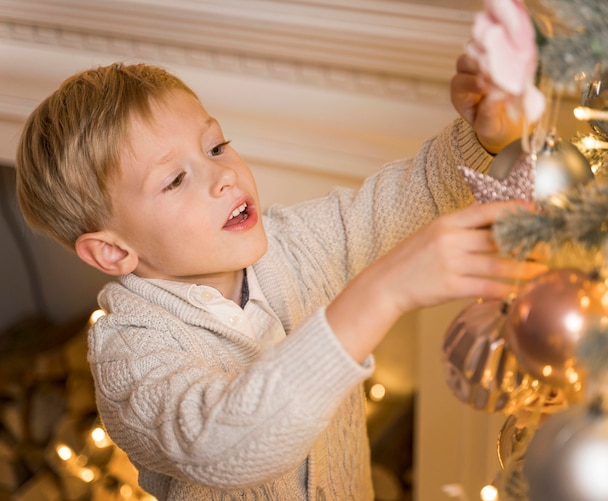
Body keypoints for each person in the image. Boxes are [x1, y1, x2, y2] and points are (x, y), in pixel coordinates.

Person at [14, 52, 543, 499]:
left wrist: (485, 136)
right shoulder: (129, 354)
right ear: (112, 251)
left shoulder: (293, 245)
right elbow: (225, 444)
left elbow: (416, 192)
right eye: (176, 179)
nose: (223, 175)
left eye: (216, 146)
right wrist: (385, 291)